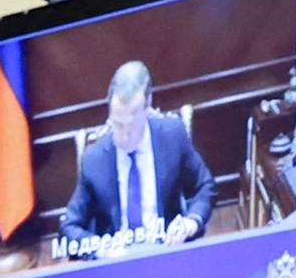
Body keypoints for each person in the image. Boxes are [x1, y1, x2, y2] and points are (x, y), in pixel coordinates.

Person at [61, 61, 214, 246]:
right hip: (116, 261)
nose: (124, 136)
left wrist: (191, 222)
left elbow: (204, 187)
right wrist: (100, 248)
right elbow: (69, 226)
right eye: (118, 124)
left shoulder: (172, 136)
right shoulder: (94, 160)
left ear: (148, 106)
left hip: (167, 250)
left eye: (132, 126)